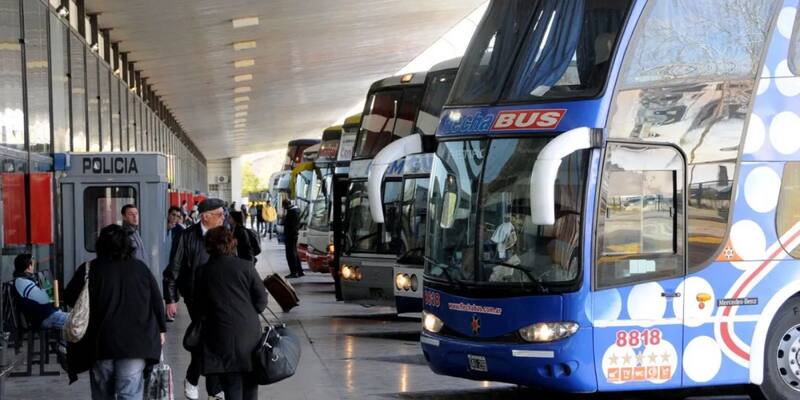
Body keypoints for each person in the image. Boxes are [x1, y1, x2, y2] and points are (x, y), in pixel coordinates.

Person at [64, 224, 166, 398]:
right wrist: (161, 329)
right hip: (134, 344)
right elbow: (156, 301)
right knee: (130, 393)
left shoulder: (89, 269)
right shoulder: (140, 268)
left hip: (100, 344)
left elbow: (69, 297)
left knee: (103, 393)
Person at [193, 227, 268, 400]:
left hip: (219, 334)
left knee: (231, 383)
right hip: (248, 334)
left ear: (208, 246)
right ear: (232, 243)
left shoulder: (202, 271)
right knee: (250, 383)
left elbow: (198, 306)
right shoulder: (246, 267)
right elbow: (262, 301)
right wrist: (246, 311)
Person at [162, 198, 226, 400]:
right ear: (206, 216)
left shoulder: (225, 234)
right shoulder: (186, 237)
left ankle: (196, 380)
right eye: (219, 214)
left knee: (212, 340)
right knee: (208, 338)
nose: (223, 218)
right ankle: (210, 388)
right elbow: (173, 270)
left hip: (221, 296)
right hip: (195, 296)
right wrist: (171, 299)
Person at [13, 254, 69, 329]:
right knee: (79, 321)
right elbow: (46, 299)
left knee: (81, 319)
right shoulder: (22, 282)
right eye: (33, 265)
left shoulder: (25, 280)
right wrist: (46, 284)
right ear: (29, 267)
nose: (34, 268)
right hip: (45, 317)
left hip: (50, 314)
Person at [282, 199, 304, 278]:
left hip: (290, 235)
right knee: (294, 253)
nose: (284, 208)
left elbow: (289, 224)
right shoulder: (295, 211)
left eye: (284, 206)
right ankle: (299, 271)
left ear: (286, 205)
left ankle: (294, 272)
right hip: (293, 235)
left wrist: (284, 219)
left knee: (290, 254)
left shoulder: (292, 212)